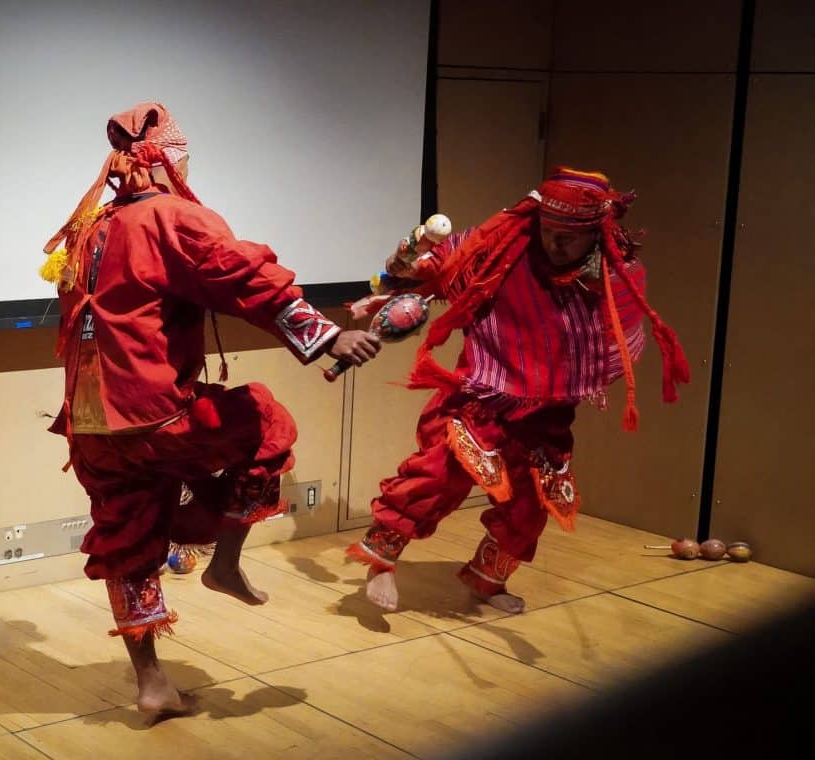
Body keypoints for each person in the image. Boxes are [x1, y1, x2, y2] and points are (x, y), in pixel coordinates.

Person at [40, 102, 381, 716]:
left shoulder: (90, 228)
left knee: (128, 539)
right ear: (171, 160)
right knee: (265, 420)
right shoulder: (175, 218)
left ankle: (151, 684)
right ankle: (223, 563)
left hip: (91, 426)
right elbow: (242, 276)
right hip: (153, 416)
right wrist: (327, 336)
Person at [347, 167, 689, 614]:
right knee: (435, 478)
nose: (555, 242)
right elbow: (442, 263)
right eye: (548, 230)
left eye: (569, 236)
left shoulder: (615, 274)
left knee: (530, 508)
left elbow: (616, 338)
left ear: (595, 232)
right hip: (480, 397)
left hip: (546, 411)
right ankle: (382, 563)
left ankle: (486, 581)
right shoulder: (502, 245)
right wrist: (406, 268)